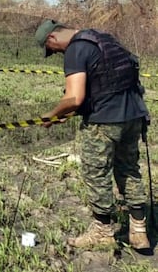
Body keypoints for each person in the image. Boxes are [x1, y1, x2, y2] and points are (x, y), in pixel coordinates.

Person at [35, 19, 150, 250]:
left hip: (104, 123)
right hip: (133, 116)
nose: (57, 54)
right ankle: (139, 231)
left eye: (53, 50)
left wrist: (51, 114)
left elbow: (74, 97)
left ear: (52, 38)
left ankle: (102, 231)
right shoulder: (104, 39)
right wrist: (71, 112)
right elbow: (106, 83)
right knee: (129, 170)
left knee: (96, 173)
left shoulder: (76, 49)